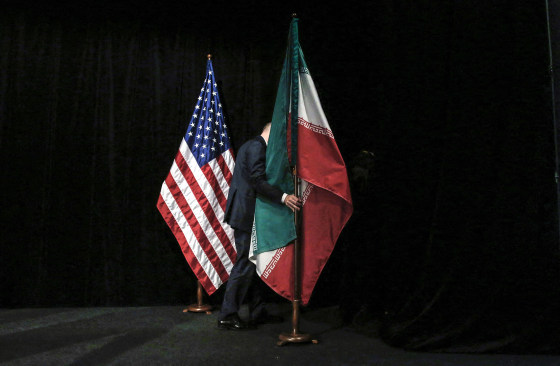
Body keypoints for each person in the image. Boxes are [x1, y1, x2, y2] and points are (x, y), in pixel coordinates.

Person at [218, 122, 301, 330]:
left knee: (254, 265)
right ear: (270, 132)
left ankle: (257, 311)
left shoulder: (252, 146)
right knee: (245, 264)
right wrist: (284, 197)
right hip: (246, 214)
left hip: (248, 213)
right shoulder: (257, 147)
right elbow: (257, 181)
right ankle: (227, 314)